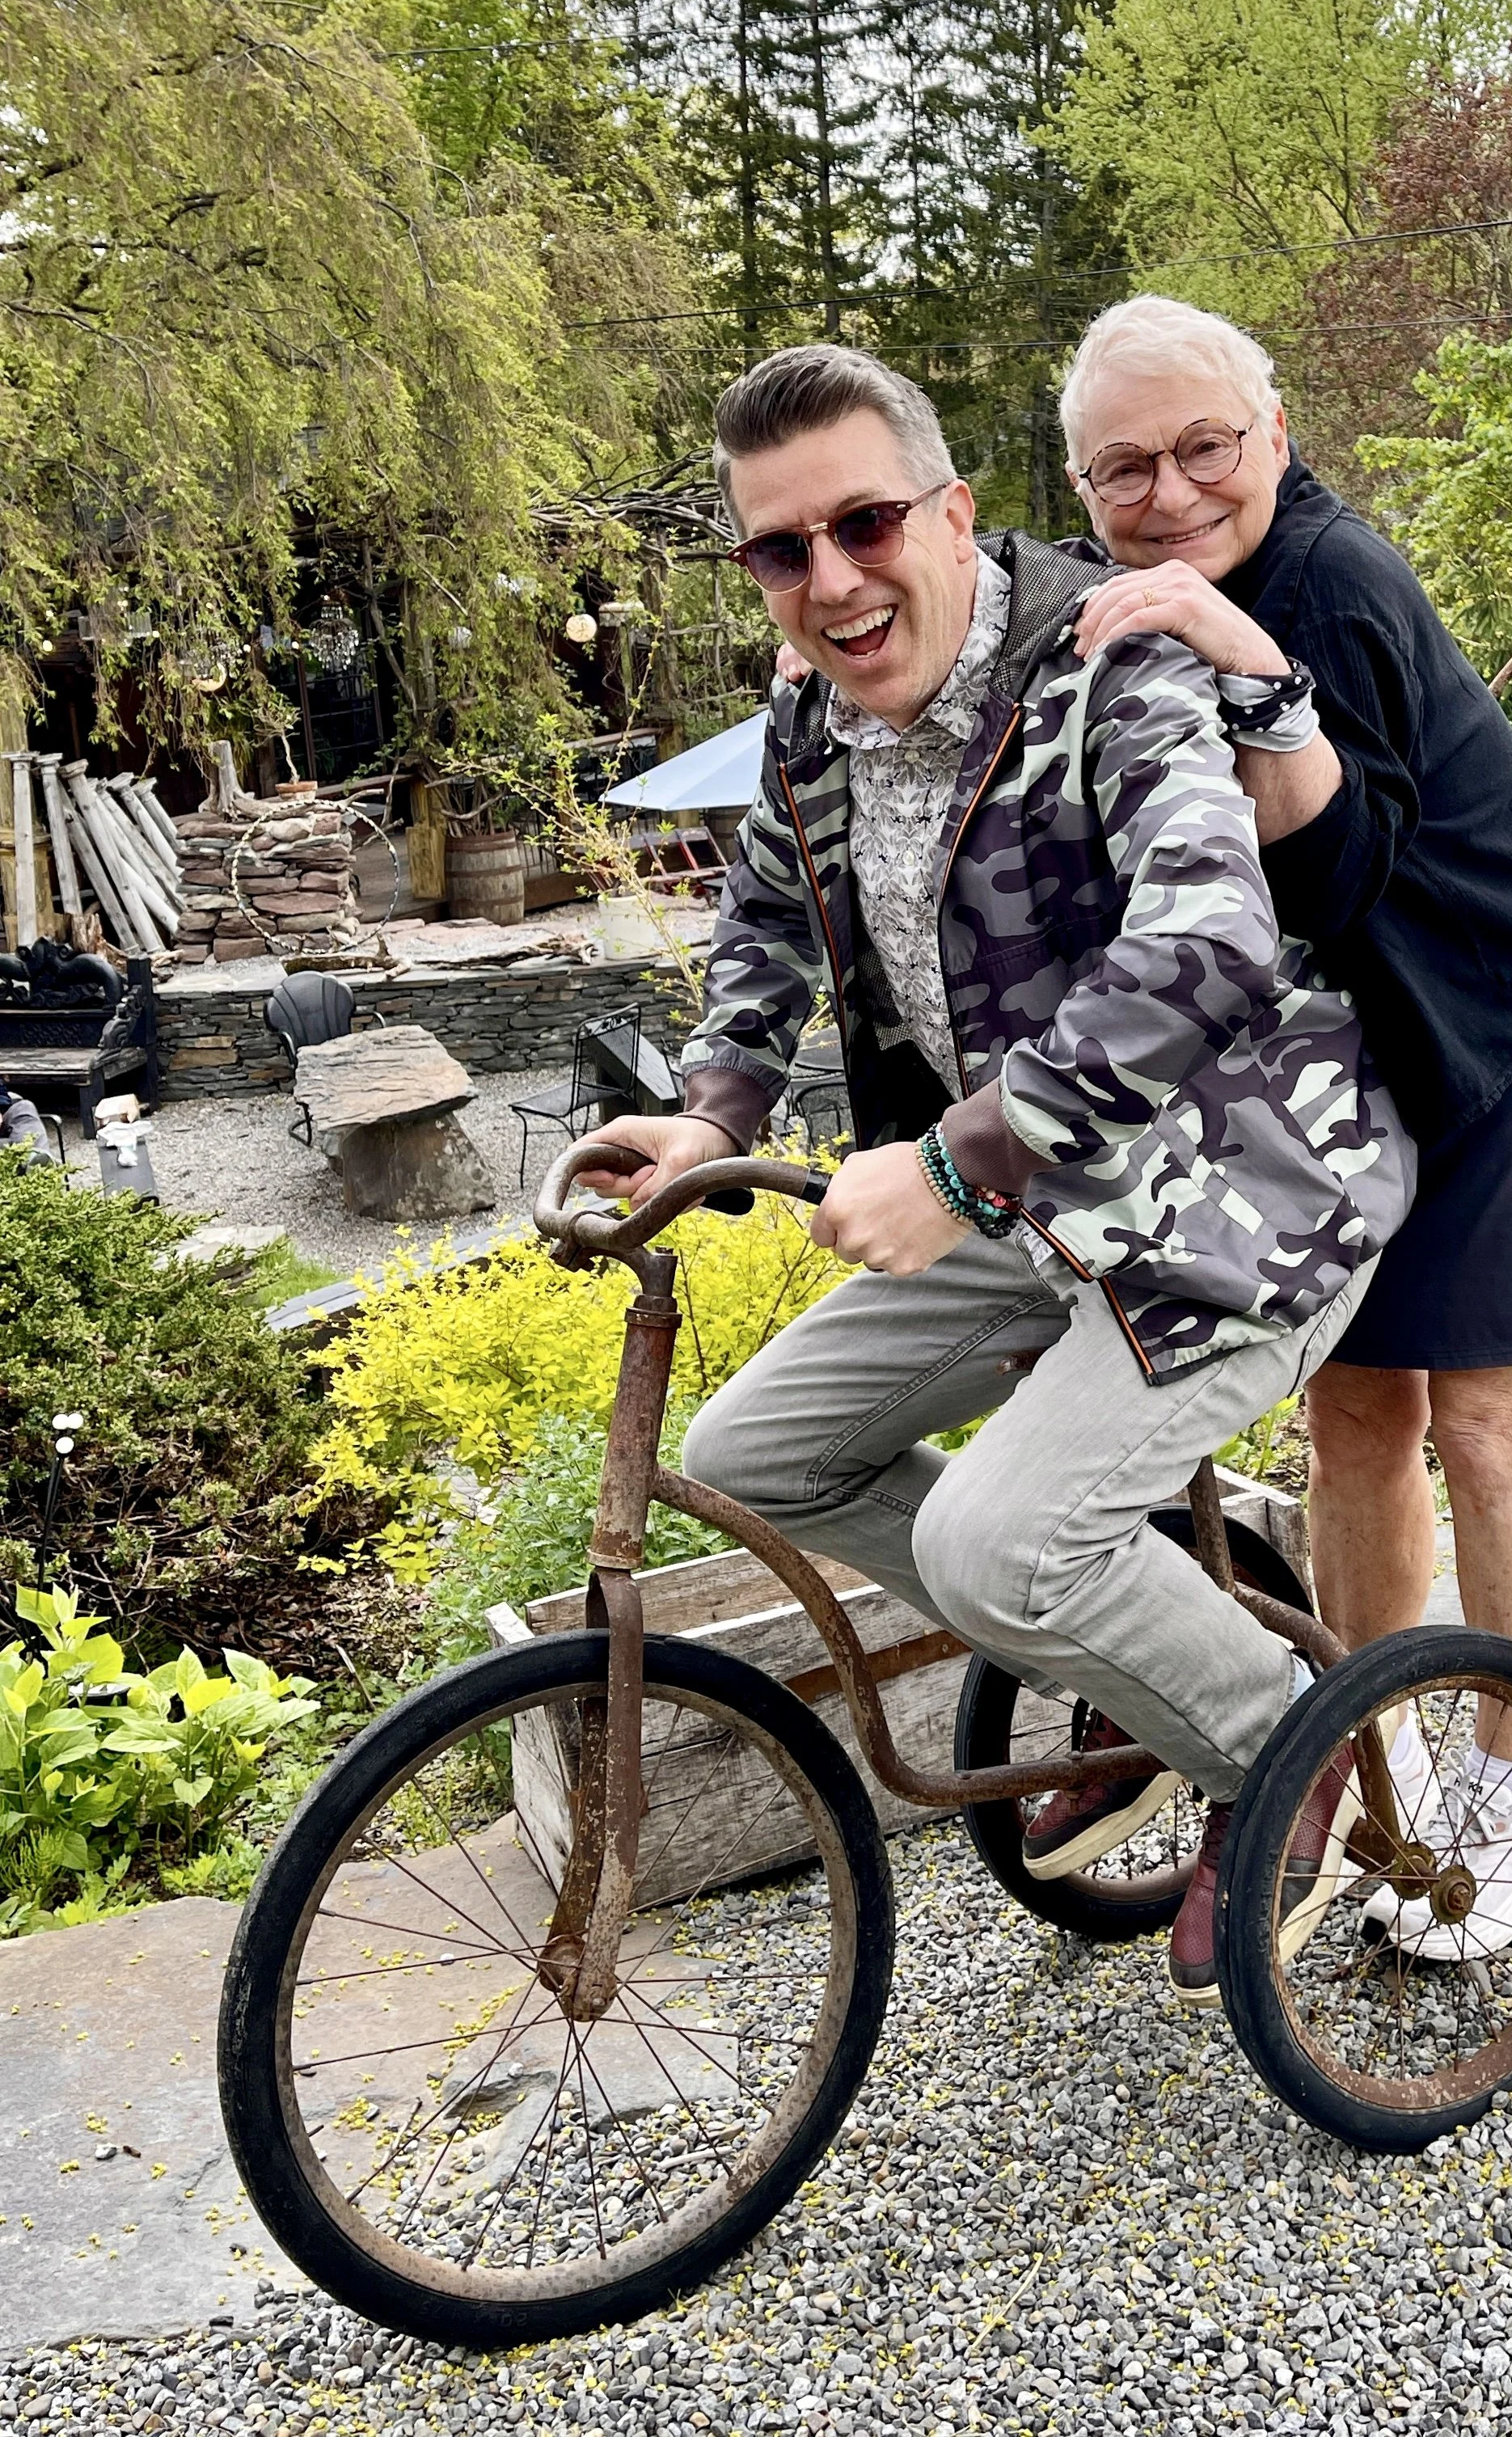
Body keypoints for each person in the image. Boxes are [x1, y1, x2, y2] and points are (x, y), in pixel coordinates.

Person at [589, 341, 1415, 2002]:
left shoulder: (1112, 669)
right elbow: (765, 912)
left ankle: (1282, 1745)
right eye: (779, 549)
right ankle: (1135, 1644)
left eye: (867, 522)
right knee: (761, 1449)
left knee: (989, 1542)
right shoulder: (807, 712)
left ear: (953, 512)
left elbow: (1208, 942)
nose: (831, 580)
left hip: (1243, 1192)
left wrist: (957, 1168)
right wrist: (714, 1109)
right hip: (1049, 1192)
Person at [1056, 293, 1512, 1949]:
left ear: (1272, 433)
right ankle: (1370, 1728)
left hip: (1511, 1019)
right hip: (1367, 1053)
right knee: (1349, 1418)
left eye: (1204, 448)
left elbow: (1340, 872)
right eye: (1125, 468)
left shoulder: (1320, 581)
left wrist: (1255, 671)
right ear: (1079, 485)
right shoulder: (1139, 599)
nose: (1171, 490)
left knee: (1484, 1422)